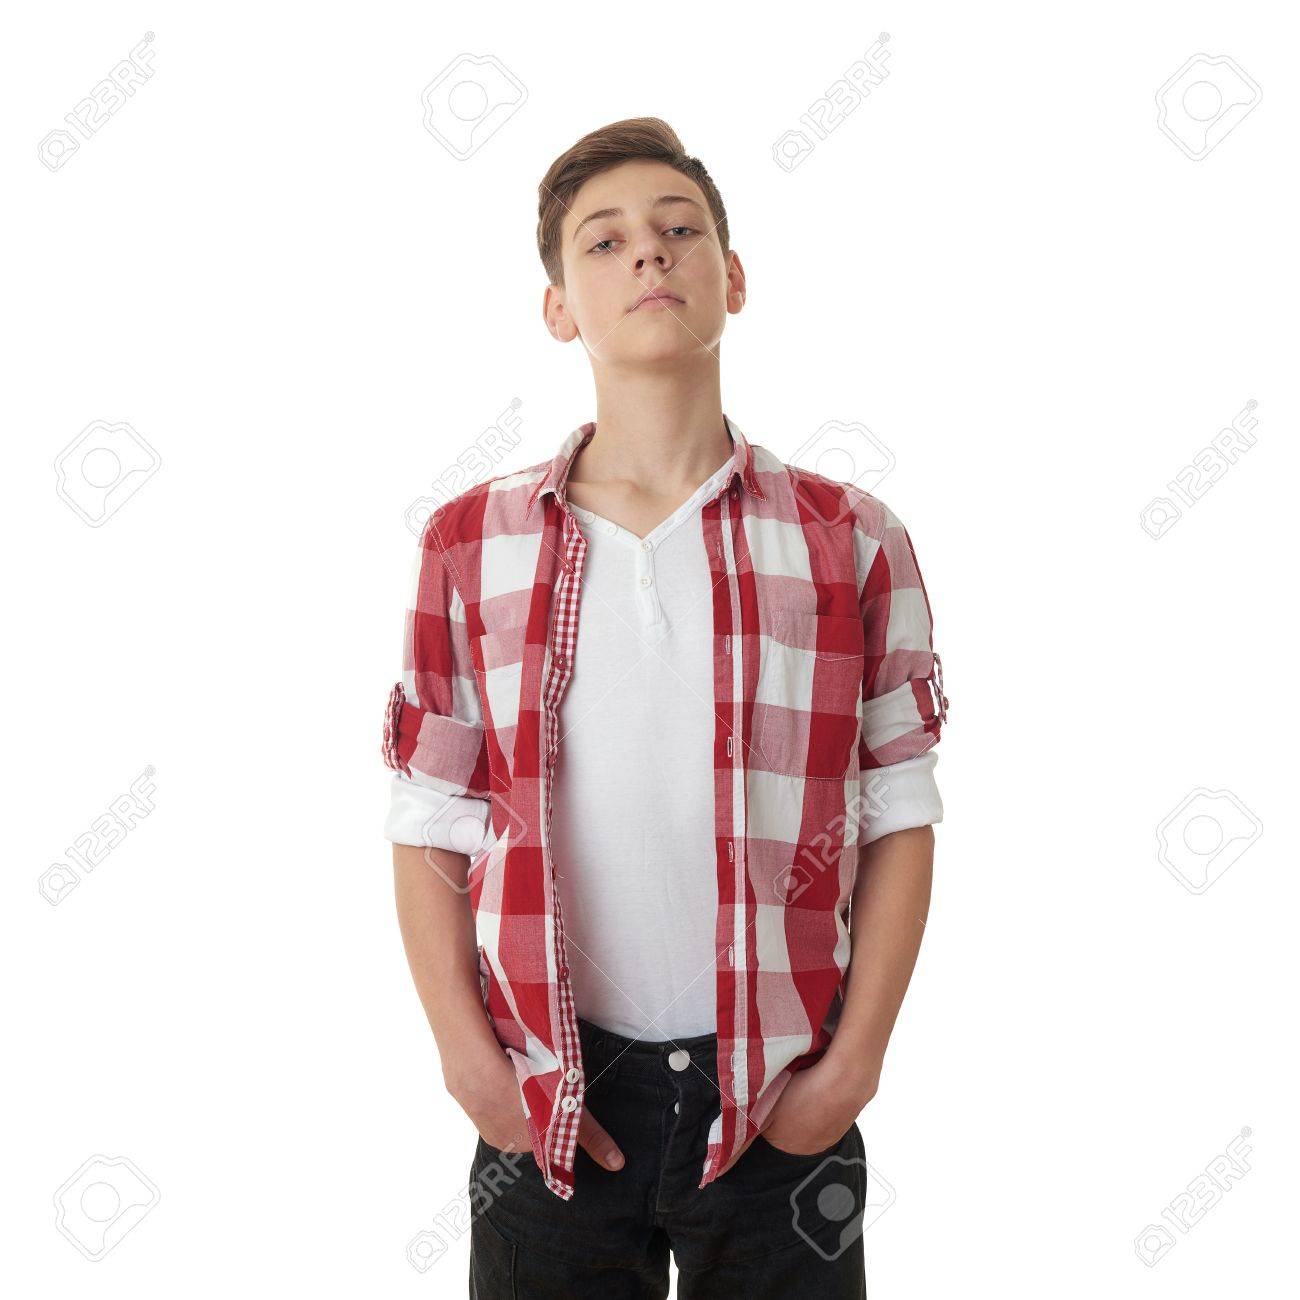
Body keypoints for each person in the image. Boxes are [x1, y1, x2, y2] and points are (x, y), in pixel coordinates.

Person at [384, 116, 948, 1298]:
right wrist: (468, 1061)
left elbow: (898, 804)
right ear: (558, 308)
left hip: (780, 1095)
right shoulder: (469, 542)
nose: (648, 251)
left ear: (730, 277)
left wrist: (851, 1067)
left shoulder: (848, 537)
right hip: (549, 1094)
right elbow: (431, 813)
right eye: (604, 241)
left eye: (678, 229)